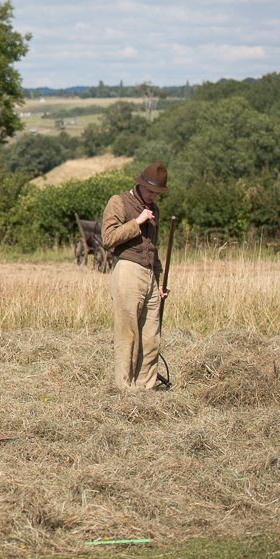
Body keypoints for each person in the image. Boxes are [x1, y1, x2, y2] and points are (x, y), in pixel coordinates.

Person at [101, 161, 171, 391]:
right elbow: (108, 238)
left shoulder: (155, 210)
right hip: (128, 271)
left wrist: (160, 283)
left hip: (150, 276)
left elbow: (153, 248)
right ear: (141, 185)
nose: (153, 196)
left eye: (158, 193)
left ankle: (145, 389)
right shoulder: (119, 202)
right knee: (128, 335)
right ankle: (125, 389)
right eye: (150, 191)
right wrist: (137, 222)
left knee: (151, 338)